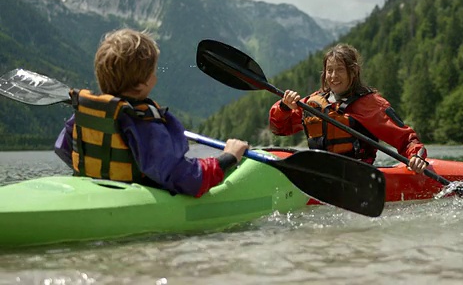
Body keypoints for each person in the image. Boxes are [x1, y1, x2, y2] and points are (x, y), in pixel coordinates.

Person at [54, 28, 249, 197]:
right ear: (144, 83)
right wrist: (227, 158)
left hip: (95, 193)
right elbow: (185, 178)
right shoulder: (143, 123)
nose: (155, 76)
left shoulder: (88, 115)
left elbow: (64, 149)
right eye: (153, 72)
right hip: (133, 200)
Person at [269, 43, 430, 174]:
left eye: (339, 70)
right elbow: (279, 129)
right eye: (329, 70)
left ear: (353, 72)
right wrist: (284, 107)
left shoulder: (371, 104)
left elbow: (405, 139)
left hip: (358, 173)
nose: (333, 76)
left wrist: (416, 156)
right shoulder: (314, 102)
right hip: (320, 172)